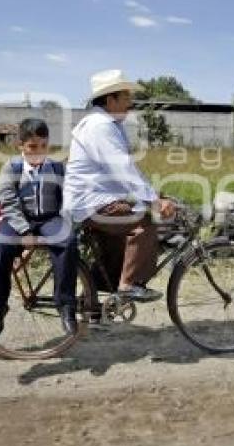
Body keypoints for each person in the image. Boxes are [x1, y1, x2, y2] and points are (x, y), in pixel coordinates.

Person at [63, 69, 176, 302]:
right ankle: (128, 285)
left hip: (99, 200)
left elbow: (127, 170)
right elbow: (122, 168)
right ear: (110, 99)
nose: (130, 102)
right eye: (125, 97)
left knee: (117, 244)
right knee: (145, 222)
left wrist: (153, 194)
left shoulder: (107, 124)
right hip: (92, 203)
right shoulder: (99, 126)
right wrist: (153, 202)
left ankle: (95, 298)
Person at [0, 118, 79, 339]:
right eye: (32, 147)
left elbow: (66, 197)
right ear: (21, 146)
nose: (38, 152)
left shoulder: (56, 167)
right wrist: (25, 231)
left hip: (48, 219)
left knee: (68, 241)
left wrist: (68, 219)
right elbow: (7, 200)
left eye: (43, 146)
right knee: (0, 247)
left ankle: (66, 307)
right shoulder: (12, 167)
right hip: (18, 219)